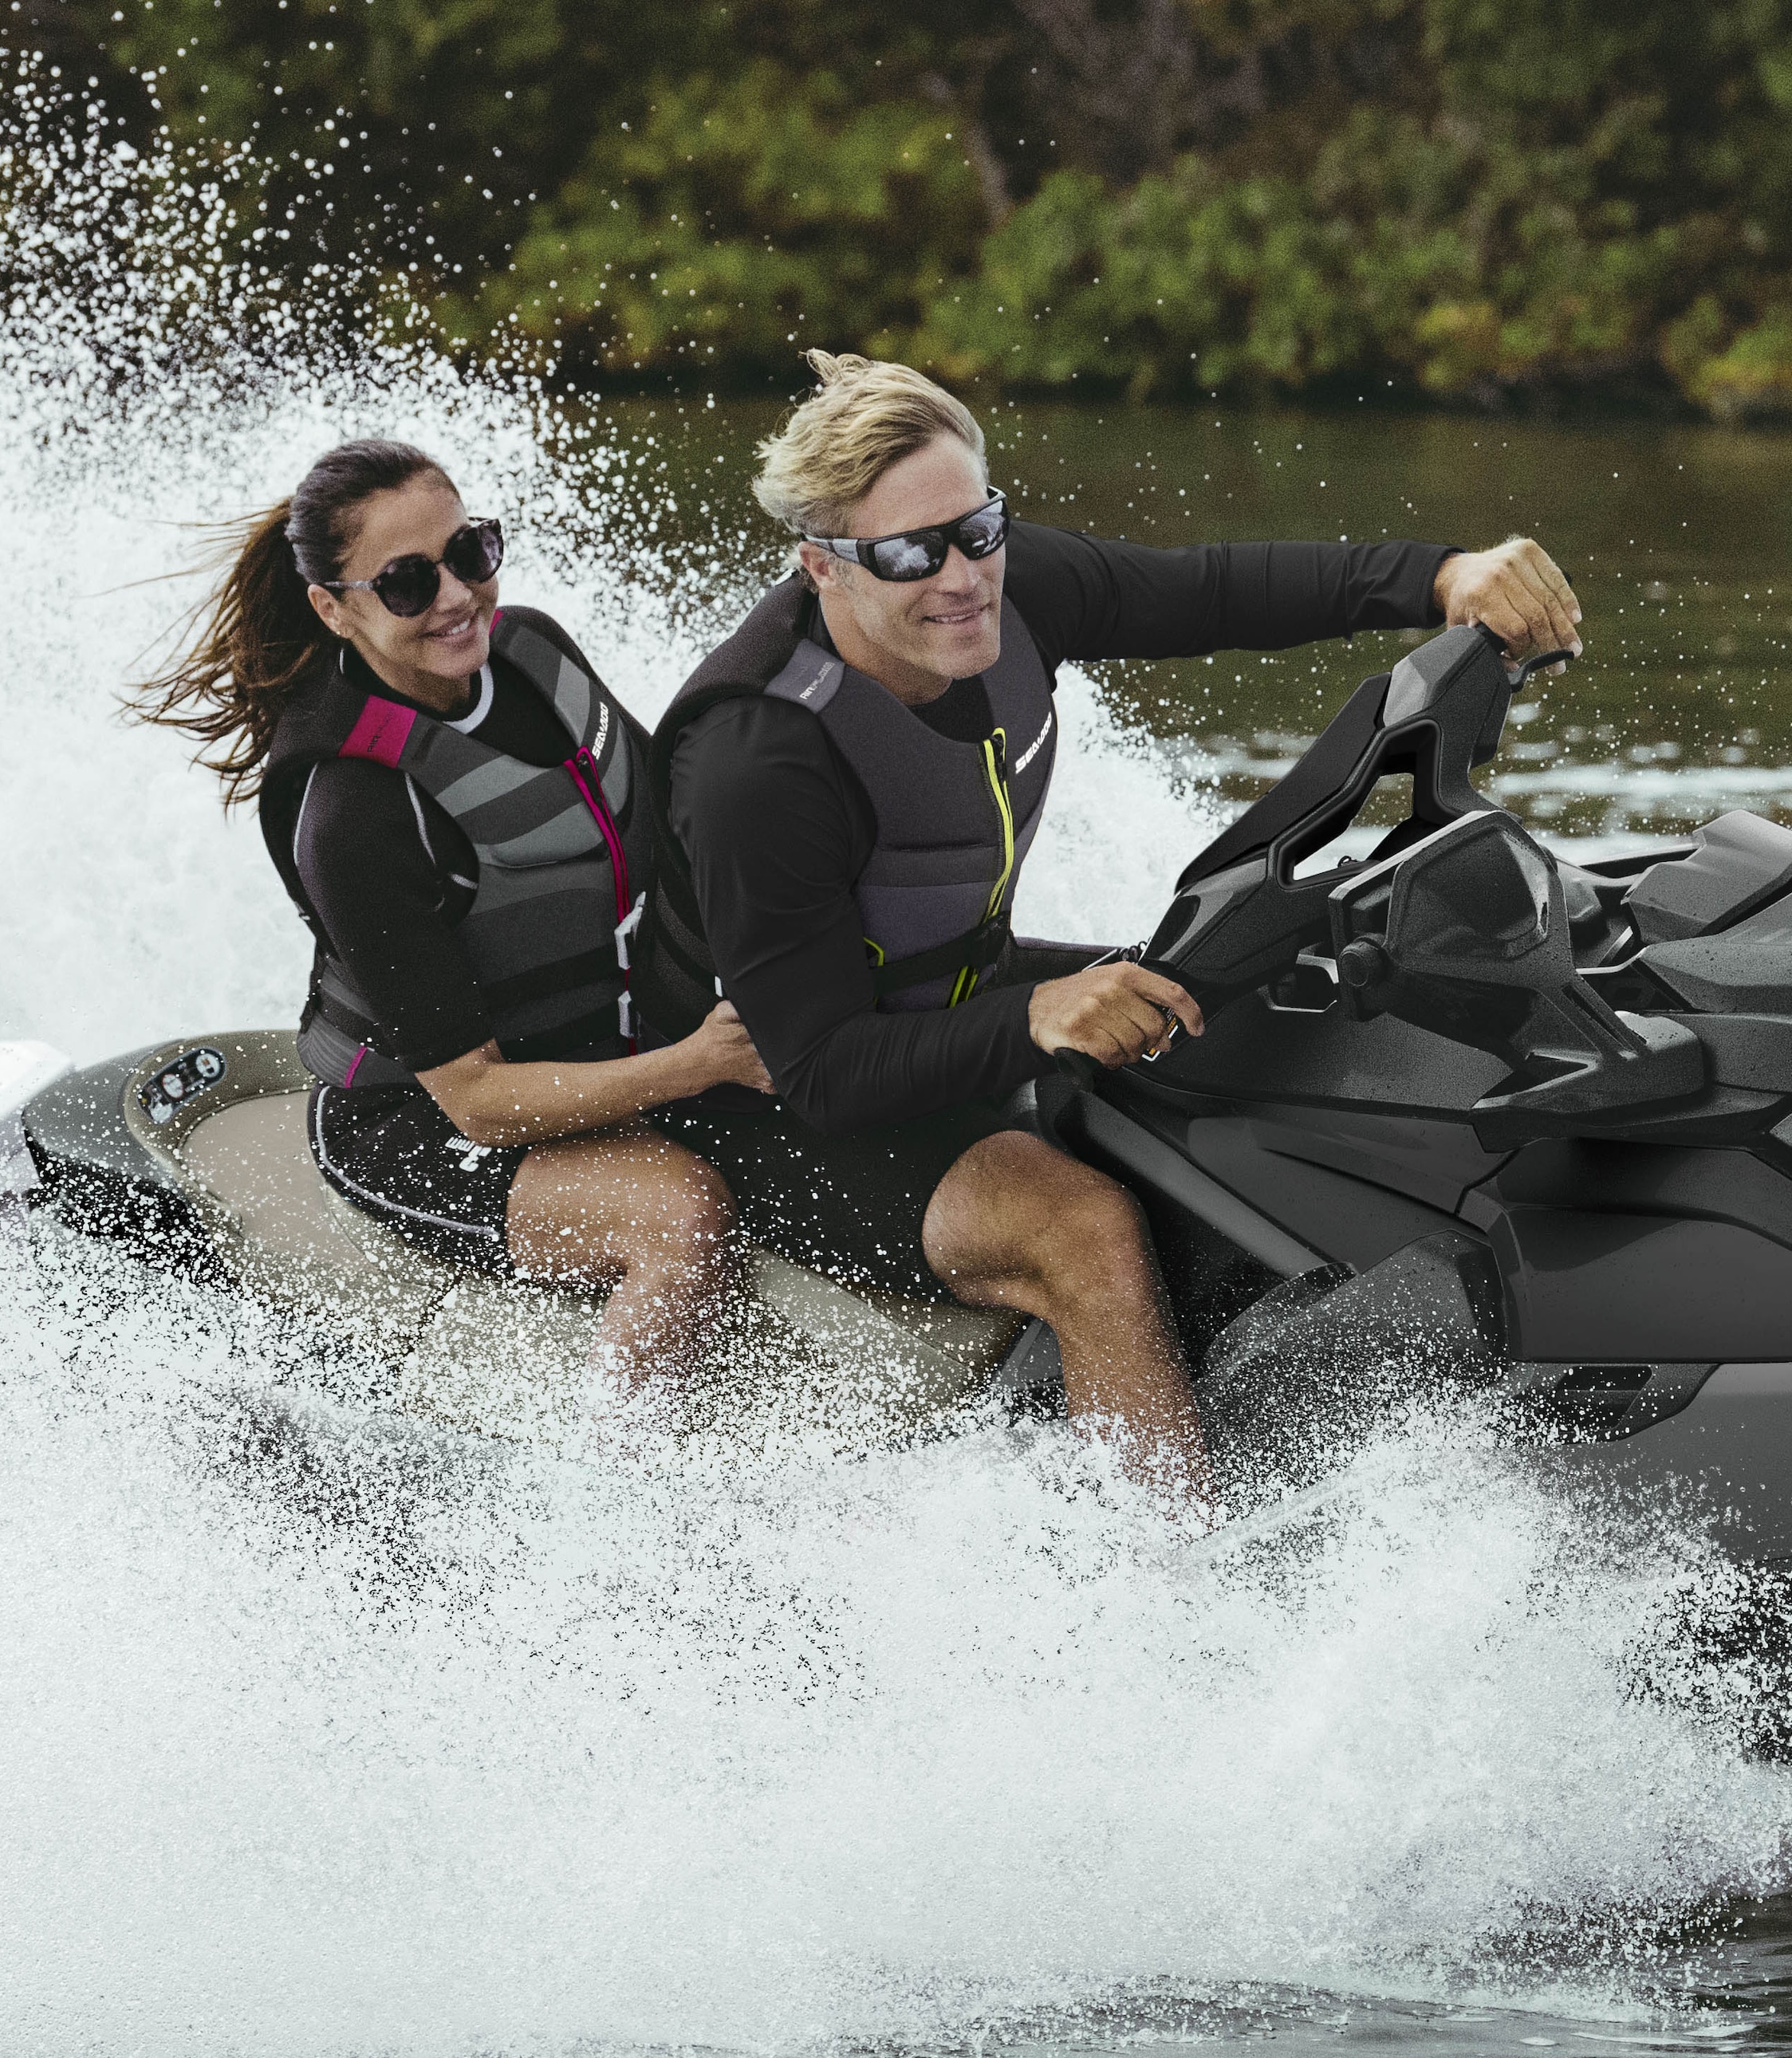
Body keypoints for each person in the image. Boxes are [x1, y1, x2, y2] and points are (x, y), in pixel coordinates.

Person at [636, 354, 1584, 1501]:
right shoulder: (758, 762)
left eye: (978, 527)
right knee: (1081, 1229)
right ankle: (1160, 1586)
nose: (962, 577)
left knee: (1282, 991)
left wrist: (1441, 576)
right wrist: (1038, 1016)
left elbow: (1211, 592)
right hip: (774, 1105)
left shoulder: (1003, 577)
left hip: (955, 998)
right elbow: (822, 1071)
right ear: (821, 566)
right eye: (908, 555)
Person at [136, 439, 774, 1404]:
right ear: (333, 606)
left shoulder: (538, 654)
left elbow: (685, 829)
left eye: (469, 552)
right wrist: (700, 1064)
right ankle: (619, 1519)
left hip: (611, 1043)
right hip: (418, 1118)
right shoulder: (355, 812)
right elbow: (473, 1098)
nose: (454, 596)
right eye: (404, 582)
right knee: (676, 1214)